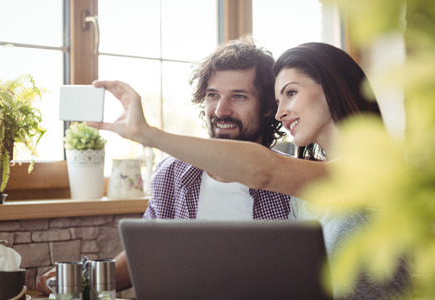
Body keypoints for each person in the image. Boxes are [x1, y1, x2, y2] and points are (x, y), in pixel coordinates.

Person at [83, 42, 410, 299]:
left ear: (331, 86)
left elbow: (264, 170)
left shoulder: (375, 161)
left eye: (291, 93)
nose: (282, 112)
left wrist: (148, 134)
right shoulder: (306, 184)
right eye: (280, 98)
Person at [36, 37, 291, 295]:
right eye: (213, 95)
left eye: (239, 96)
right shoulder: (171, 173)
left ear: (269, 107)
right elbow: (144, 255)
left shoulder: (292, 179)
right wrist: (82, 277)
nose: (221, 110)